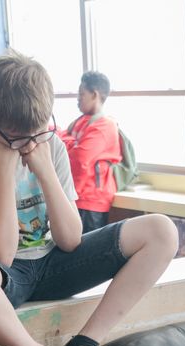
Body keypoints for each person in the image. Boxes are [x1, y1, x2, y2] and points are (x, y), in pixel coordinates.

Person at [0, 50, 177, 346]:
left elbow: (70, 239)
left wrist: (46, 171)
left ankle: (85, 342)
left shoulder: (48, 144)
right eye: (20, 138)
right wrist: (4, 170)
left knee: (161, 231)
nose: (32, 144)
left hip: (55, 263)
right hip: (5, 280)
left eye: (40, 131)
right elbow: (1, 254)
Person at [57, 71, 122, 234]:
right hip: (73, 198)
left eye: (82, 94)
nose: (78, 99)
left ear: (95, 95)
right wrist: (73, 143)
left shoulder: (105, 125)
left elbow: (79, 158)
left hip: (91, 202)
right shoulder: (79, 122)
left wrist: (68, 142)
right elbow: (58, 143)